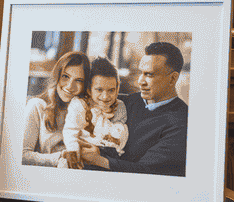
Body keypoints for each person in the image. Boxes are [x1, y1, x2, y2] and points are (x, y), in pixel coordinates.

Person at [81, 42, 188, 176]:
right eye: (140, 72)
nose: (140, 81)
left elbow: (148, 171)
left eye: (149, 74)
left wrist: (98, 160)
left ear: (172, 79)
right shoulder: (129, 101)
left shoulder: (182, 122)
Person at [58, 56, 128, 170]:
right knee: (64, 164)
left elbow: (120, 133)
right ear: (89, 90)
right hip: (81, 150)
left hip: (108, 153)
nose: (105, 97)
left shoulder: (119, 106)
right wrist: (73, 150)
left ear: (117, 89)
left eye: (111, 90)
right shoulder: (80, 104)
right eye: (99, 90)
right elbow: (71, 130)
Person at [22, 51, 90, 166]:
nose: (70, 86)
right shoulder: (37, 106)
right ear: (57, 76)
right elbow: (22, 155)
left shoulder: (87, 111)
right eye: (65, 76)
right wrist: (60, 157)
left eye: (78, 80)